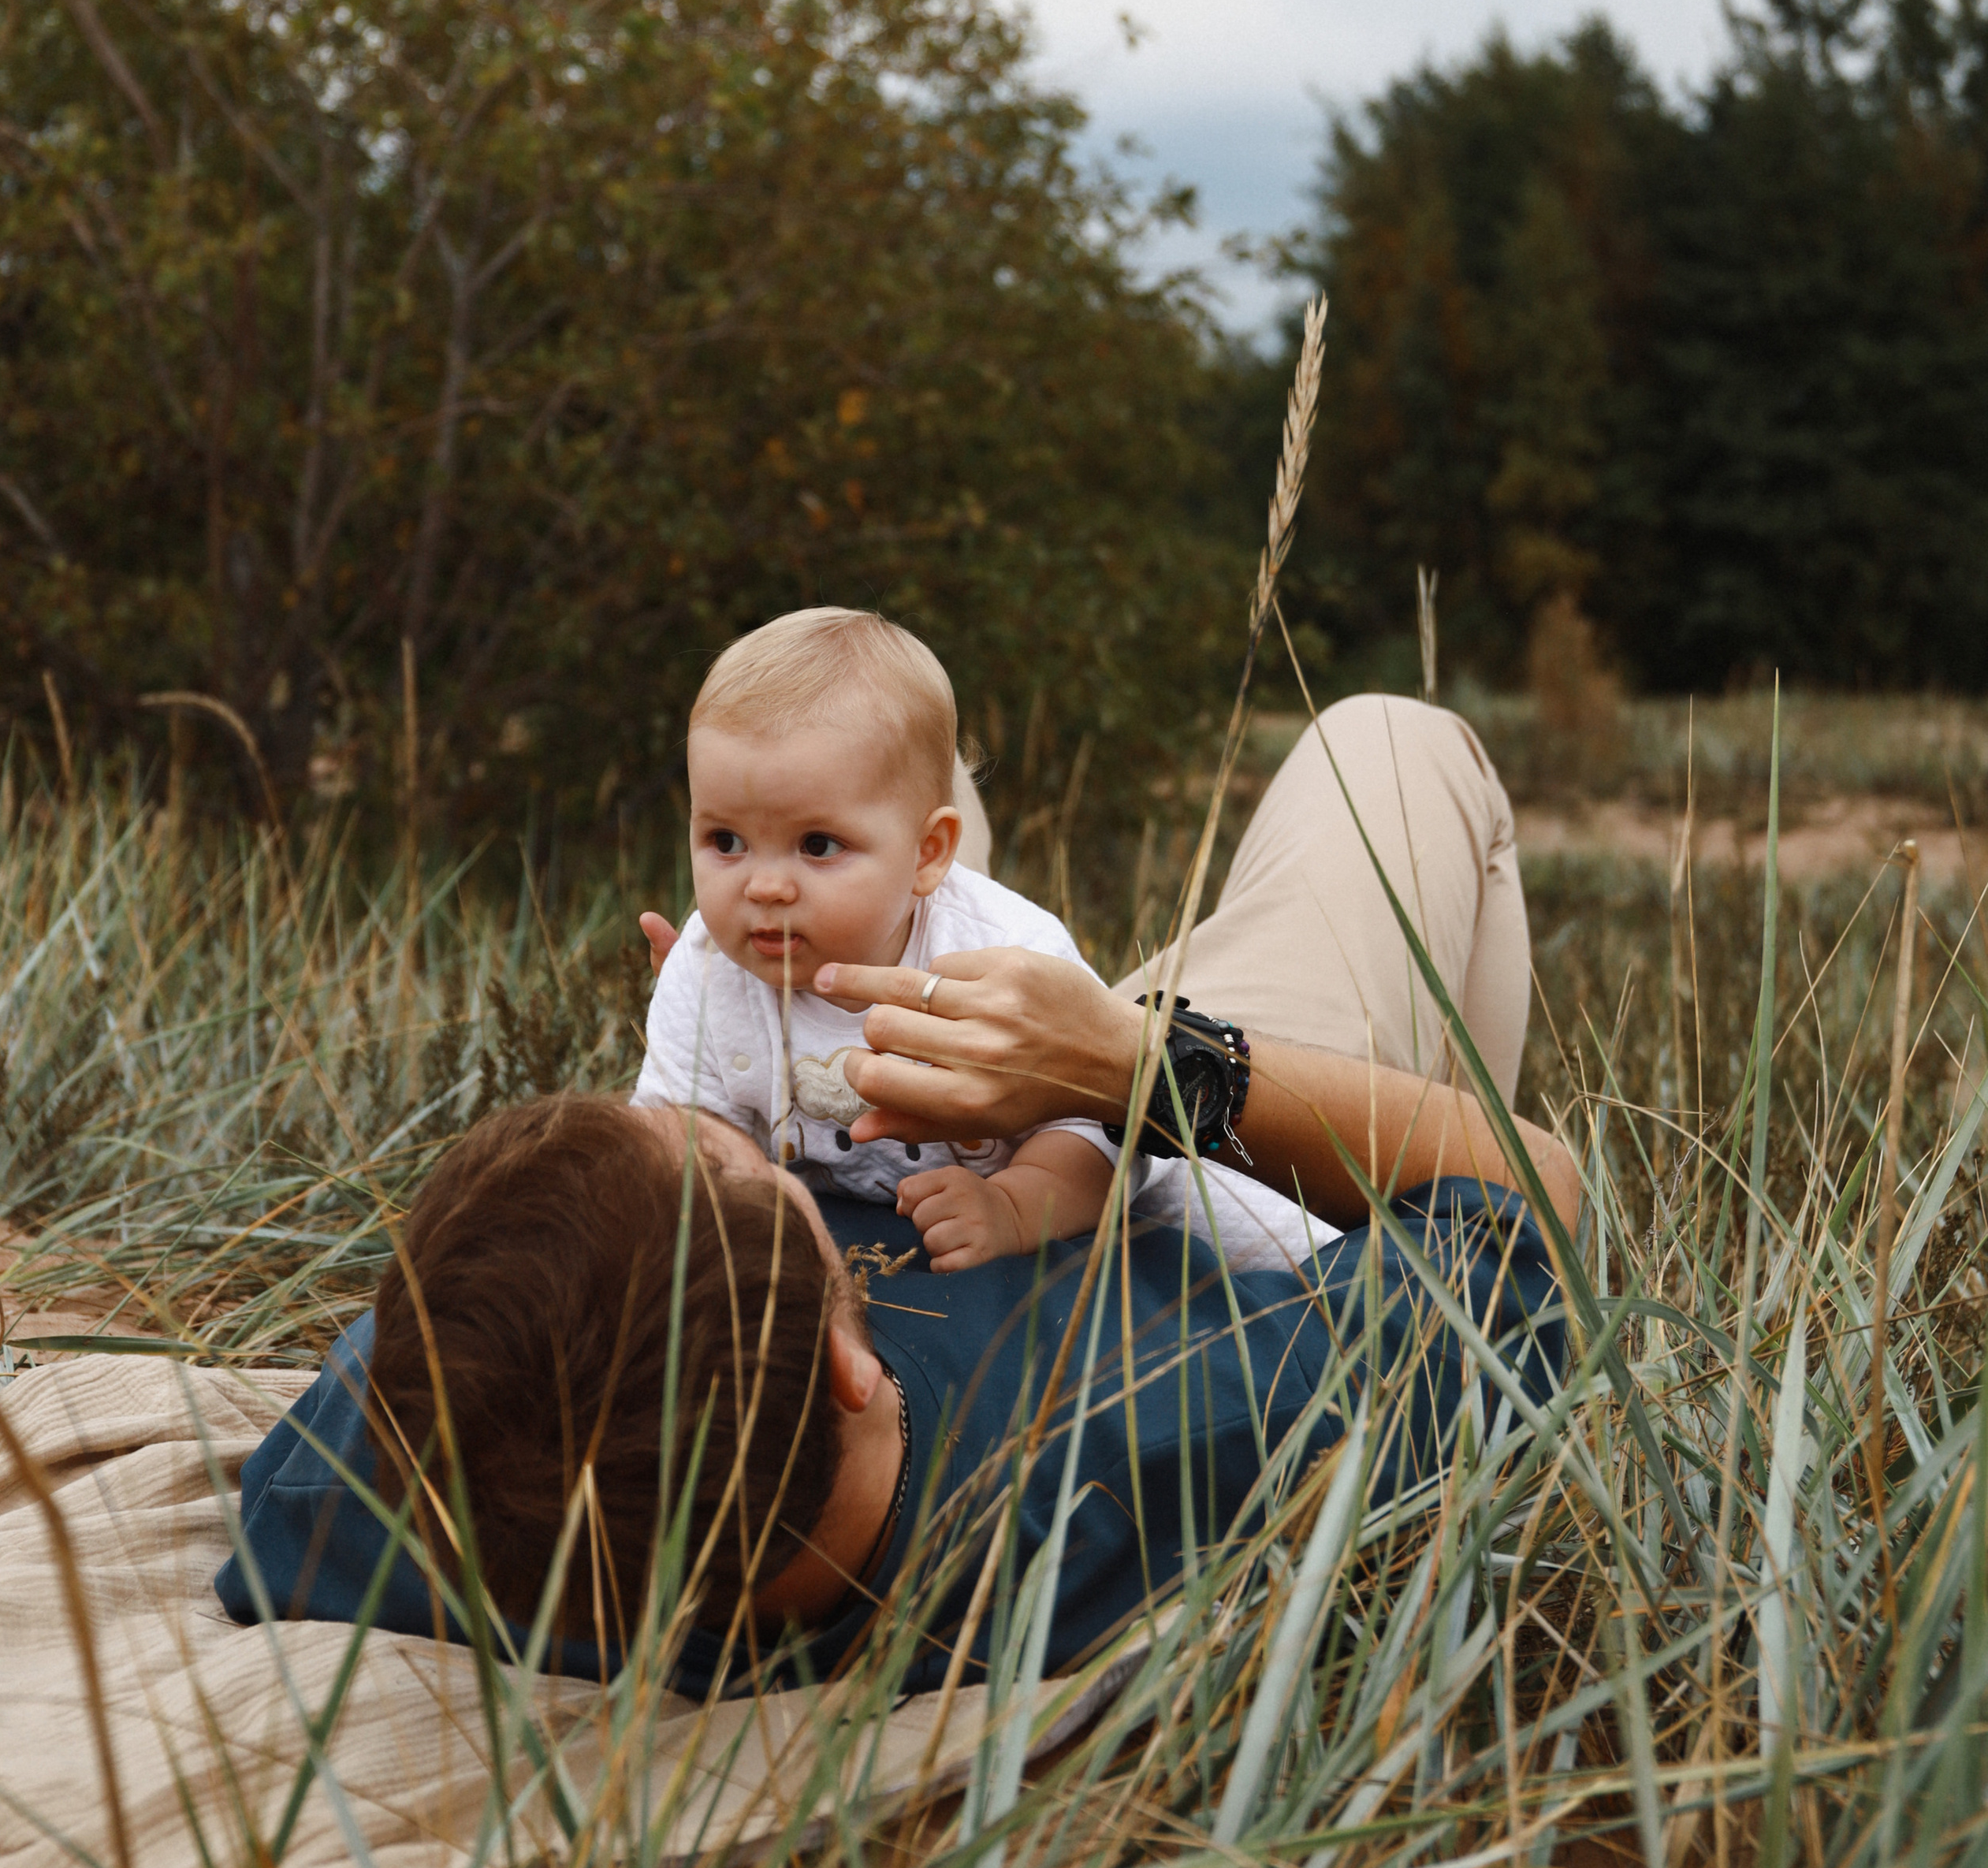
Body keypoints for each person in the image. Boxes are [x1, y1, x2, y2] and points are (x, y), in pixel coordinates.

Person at [214, 692, 1576, 1695]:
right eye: (764, 1170)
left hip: (970, 1101)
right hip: (1170, 1153)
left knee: (851, 727)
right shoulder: (1165, 1451)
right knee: (1390, 747)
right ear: (856, 1359)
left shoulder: (408, 1466)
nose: (751, 1139)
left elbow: (494, 1359)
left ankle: (937, 876)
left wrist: (737, 1046)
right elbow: (1539, 1200)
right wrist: (1130, 1060)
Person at [632, 605, 1326, 1273]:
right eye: (725, 840)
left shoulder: (1003, 953)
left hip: (1115, 1211)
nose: (765, 886)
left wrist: (1015, 1207)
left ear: (930, 852)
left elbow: (1102, 1124)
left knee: (1289, 1254)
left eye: (817, 845)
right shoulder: (705, 967)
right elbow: (684, 1134)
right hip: (879, 1236)